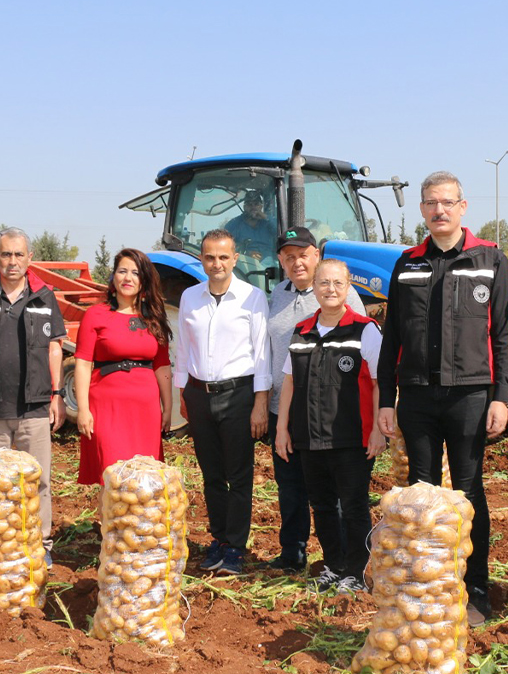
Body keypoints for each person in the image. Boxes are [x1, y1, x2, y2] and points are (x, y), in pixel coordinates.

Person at [377, 171, 508, 626]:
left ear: (463, 206)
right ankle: (428, 581)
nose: (440, 210)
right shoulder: (407, 262)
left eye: (447, 202)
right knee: (422, 494)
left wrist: (502, 397)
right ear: (421, 210)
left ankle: (475, 587)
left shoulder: (489, 259)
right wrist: (385, 399)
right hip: (416, 396)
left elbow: (502, 334)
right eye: (431, 203)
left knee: (469, 491)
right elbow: (392, 334)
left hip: (470, 396)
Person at [274, 258, 385, 594]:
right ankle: (333, 567)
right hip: (308, 437)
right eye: (324, 283)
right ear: (316, 288)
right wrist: (282, 428)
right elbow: (290, 381)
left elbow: (381, 383)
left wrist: (379, 429)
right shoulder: (302, 331)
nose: (331, 290)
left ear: (348, 287)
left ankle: (357, 571)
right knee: (321, 506)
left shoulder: (365, 330)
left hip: (352, 438)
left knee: (353, 506)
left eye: (338, 283)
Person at [0, 227, 68, 558]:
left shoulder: (45, 296)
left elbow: (54, 348)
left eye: (19, 254)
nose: (13, 261)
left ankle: (40, 547)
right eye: (6, 254)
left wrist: (57, 394)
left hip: (33, 409)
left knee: (39, 481)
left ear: (29, 258)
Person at [265, 226, 365, 573]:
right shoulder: (276, 294)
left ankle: (341, 563)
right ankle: (292, 553)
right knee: (290, 490)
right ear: (280, 260)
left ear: (316, 255)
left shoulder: (343, 296)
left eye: (303, 255)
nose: (297, 262)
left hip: (332, 415)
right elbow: (271, 355)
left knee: (334, 497)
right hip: (286, 409)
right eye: (289, 257)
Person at [176, 229, 272, 576]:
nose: (216, 264)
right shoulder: (189, 297)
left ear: (234, 259)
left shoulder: (252, 297)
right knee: (211, 474)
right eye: (209, 257)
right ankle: (217, 538)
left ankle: (235, 546)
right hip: (200, 394)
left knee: (239, 474)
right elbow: (184, 349)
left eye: (222, 257)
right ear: (201, 260)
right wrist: (182, 391)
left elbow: (262, 354)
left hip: (238, 395)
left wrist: (260, 402)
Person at [73, 248, 173, 484]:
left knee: (145, 474)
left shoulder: (154, 318)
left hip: (145, 409)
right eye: (122, 271)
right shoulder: (95, 315)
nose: (128, 278)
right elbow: (83, 364)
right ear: (113, 277)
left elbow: (162, 366)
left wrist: (167, 408)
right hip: (106, 406)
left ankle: (140, 521)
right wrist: (83, 409)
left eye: (135, 273)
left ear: (144, 280)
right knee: (111, 472)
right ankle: (110, 521)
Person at [225, 190, 279, 264]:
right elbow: (226, 248)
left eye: (256, 204)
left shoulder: (268, 222)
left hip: (270, 264)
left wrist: (265, 217)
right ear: (244, 207)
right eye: (249, 205)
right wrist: (246, 254)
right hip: (244, 265)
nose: (253, 207)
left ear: (261, 206)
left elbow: (282, 233)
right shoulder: (233, 225)